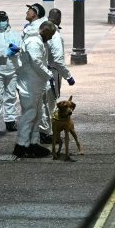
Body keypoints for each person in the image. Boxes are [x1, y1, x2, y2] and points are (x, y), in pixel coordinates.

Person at [12, 21, 56, 158]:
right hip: (29, 84)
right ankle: (21, 145)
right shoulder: (33, 42)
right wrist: (49, 75)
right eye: (49, 35)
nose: (50, 38)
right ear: (42, 30)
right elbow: (36, 62)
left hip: (36, 83)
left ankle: (33, 143)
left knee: (37, 115)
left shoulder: (39, 40)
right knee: (29, 114)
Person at [38, 8, 76, 144]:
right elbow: (58, 61)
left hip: (39, 73)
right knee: (50, 104)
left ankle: (40, 131)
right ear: (59, 21)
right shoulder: (56, 36)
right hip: (52, 74)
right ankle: (46, 133)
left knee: (41, 104)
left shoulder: (39, 30)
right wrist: (68, 76)